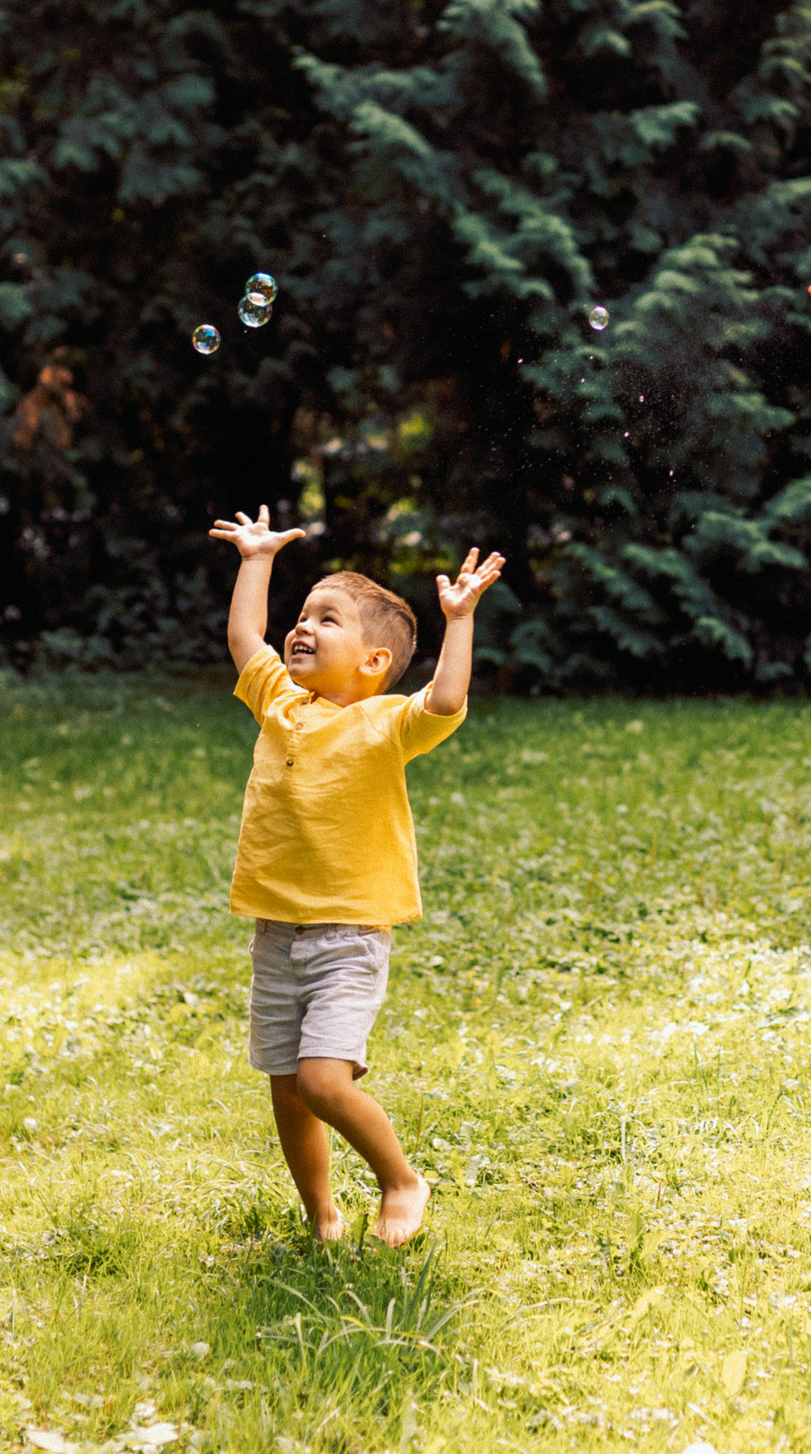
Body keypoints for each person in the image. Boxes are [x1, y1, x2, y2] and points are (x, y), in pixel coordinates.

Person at [207, 506, 504, 1246]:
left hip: (348, 936)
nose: (301, 627)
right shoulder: (280, 701)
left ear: (373, 662)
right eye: (302, 616)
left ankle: (401, 1178)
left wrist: (458, 620)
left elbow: (447, 699)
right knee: (287, 1089)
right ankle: (321, 1215)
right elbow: (246, 638)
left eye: (327, 620)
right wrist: (256, 560)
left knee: (323, 1081)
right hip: (275, 935)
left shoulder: (386, 724)